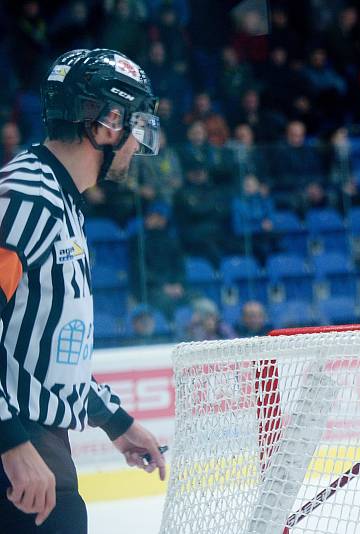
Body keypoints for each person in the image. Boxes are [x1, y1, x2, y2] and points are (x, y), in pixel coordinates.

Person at [0, 48, 166, 533]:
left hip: (39, 447)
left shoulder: (58, 199)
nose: (137, 145)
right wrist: (11, 444)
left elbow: (40, 352)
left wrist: (114, 420)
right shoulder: (26, 197)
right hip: (21, 458)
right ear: (108, 122)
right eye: (135, 127)